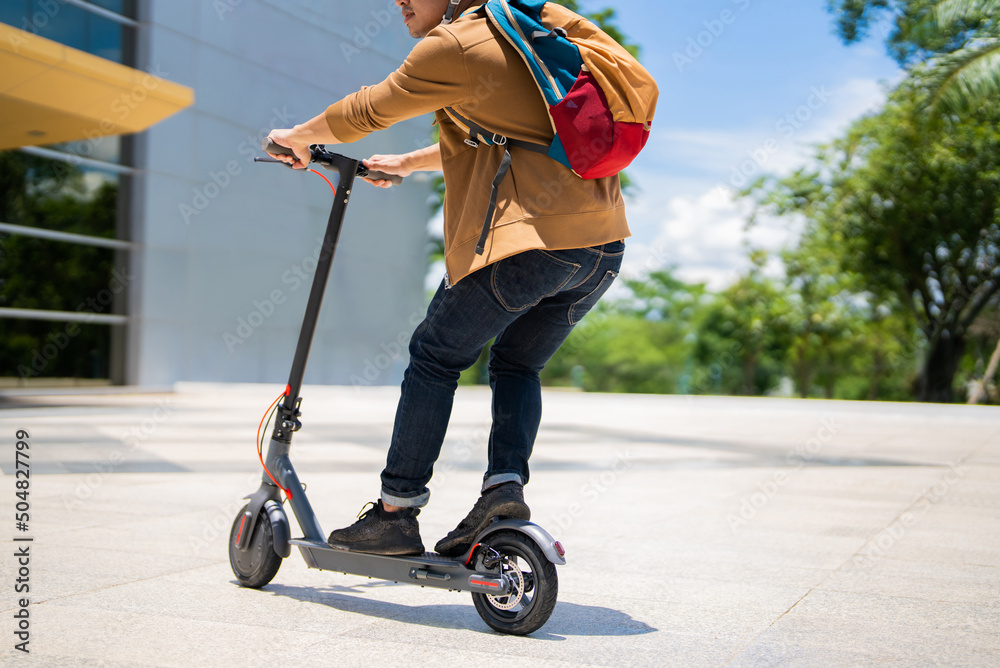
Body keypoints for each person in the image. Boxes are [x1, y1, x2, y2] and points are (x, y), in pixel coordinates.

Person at [266, 0, 631, 557]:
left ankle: (395, 513)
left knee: (435, 356)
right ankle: (503, 490)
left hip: (525, 244)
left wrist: (298, 134)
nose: (399, 2)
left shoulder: (457, 42)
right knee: (516, 363)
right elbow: (507, 134)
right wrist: (409, 164)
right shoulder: (523, 35)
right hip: (599, 250)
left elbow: (370, 109)